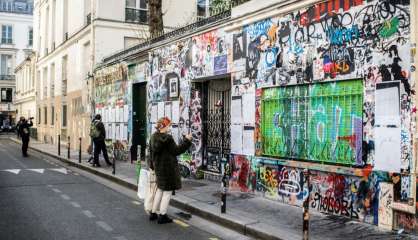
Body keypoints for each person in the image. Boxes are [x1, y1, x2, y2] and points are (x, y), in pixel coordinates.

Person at [149, 117, 192, 224]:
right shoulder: (168, 139)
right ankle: (162, 215)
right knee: (167, 192)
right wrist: (187, 140)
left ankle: (153, 212)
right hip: (168, 169)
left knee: (160, 189)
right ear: (165, 126)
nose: (170, 127)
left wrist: (152, 166)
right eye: (169, 125)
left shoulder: (153, 137)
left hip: (158, 167)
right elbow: (176, 151)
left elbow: (151, 154)